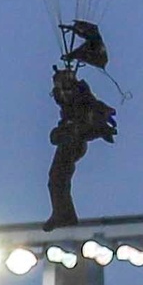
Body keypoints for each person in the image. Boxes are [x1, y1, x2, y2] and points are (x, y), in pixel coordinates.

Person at [44, 67, 117, 232]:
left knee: (58, 177)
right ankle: (62, 213)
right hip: (71, 138)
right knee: (56, 178)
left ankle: (63, 215)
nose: (60, 92)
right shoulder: (72, 103)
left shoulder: (82, 99)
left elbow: (94, 109)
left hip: (74, 140)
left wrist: (102, 119)